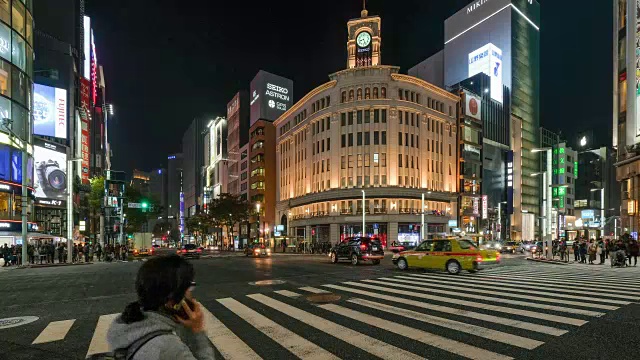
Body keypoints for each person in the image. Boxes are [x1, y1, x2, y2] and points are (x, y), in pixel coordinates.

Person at [107, 255, 214, 360]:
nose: (191, 294)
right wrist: (197, 329)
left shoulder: (126, 325)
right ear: (172, 298)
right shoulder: (167, 347)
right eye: (189, 287)